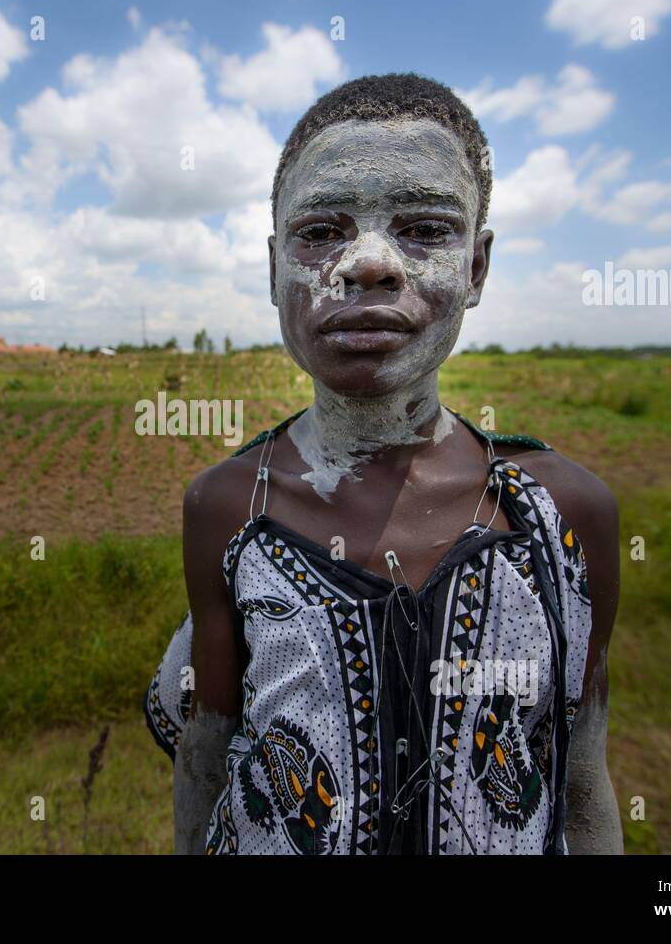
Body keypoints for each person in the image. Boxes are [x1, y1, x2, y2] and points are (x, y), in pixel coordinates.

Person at [144, 73, 622, 855]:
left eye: (426, 228)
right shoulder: (228, 505)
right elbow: (207, 754)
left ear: (476, 268)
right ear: (274, 271)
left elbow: (581, 779)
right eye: (322, 231)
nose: (368, 263)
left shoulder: (564, 514)